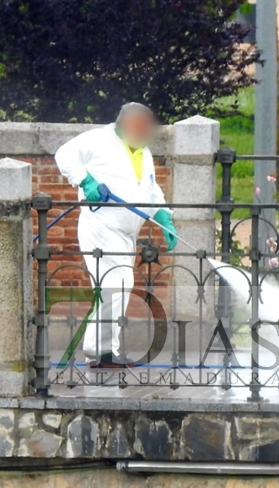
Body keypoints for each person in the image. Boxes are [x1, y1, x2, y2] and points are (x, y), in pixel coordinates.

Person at [54, 102, 178, 368]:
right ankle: (100, 351)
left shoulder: (143, 151)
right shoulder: (98, 139)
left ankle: (101, 351)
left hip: (126, 233)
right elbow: (64, 155)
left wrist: (163, 216)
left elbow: (150, 188)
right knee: (114, 286)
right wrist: (85, 182)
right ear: (125, 123)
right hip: (101, 225)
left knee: (119, 287)